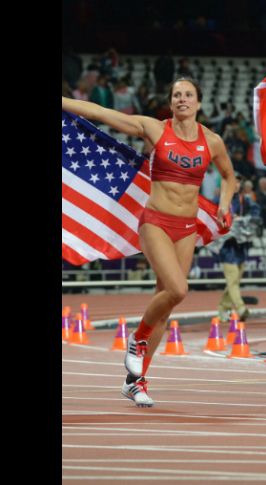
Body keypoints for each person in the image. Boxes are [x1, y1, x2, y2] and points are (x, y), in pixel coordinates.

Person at [62, 77, 237, 407]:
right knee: (179, 289)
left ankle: (134, 381)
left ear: (198, 102)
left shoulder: (212, 142)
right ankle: (137, 338)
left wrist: (225, 204)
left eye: (188, 95)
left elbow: (230, 176)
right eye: (177, 96)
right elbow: (100, 112)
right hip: (155, 221)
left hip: (187, 227)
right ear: (171, 103)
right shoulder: (155, 129)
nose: (182, 99)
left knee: (166, 305)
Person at [212, 173, 261, 322]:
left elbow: (257, 214)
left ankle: (222, 309)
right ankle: (241, 308)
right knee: (233, 280)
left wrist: (245, 220)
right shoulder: (218, 201)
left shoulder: (245, 201)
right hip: (226, 247)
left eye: (238, 182)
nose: (236, 185)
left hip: (241, 247)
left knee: (234, 282)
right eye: (232, 182)